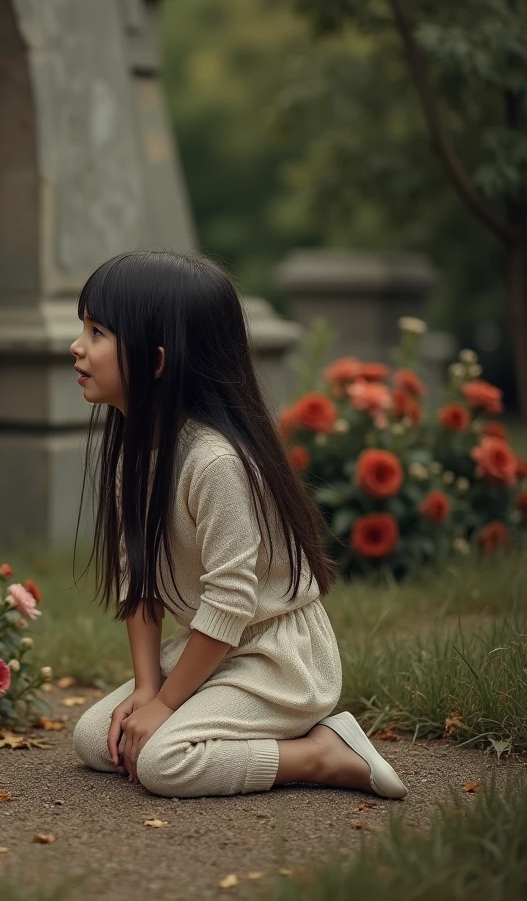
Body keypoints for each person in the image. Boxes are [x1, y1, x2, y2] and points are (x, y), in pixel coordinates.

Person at [70, 251, 407, 801]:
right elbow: (140, 587)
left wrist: (167, 707)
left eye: (98, 332)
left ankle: (323, 752)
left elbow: (230, 601)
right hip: (214, 647)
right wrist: (149, 689)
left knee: (162, 762)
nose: (77, 346)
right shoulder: (136, 454)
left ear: (156, 361)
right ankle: (227, 722)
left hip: (280, 659)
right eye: (82, 327)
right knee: (95, 740)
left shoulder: (214, 462)